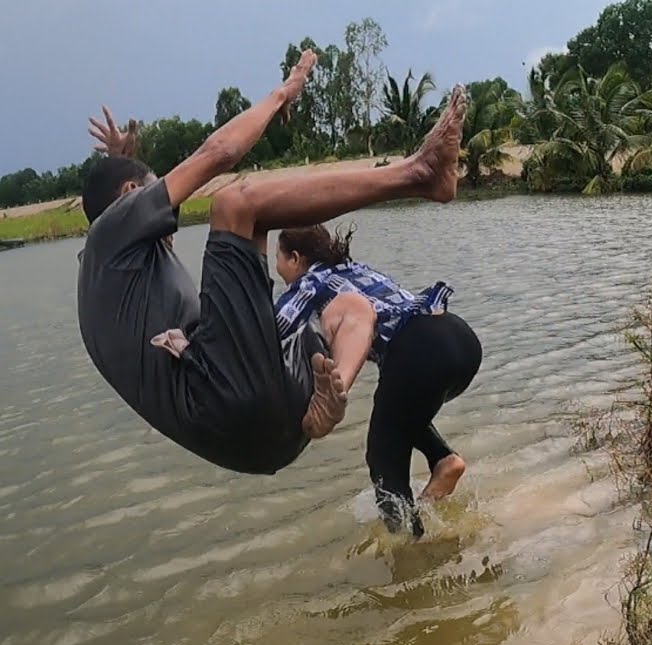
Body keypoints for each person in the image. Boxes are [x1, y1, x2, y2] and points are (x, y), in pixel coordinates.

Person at [76, 49, 470, 474]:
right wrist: (286, 91)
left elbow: (132, 208)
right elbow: (217, 153)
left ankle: (331, 390)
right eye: (148, 190)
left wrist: (118, 162)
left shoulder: (110, 272)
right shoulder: (111, 235)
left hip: (271, 435)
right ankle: (418, 173)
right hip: (225, 393)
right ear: (128, 195)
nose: (168, 213)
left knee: (353, 307)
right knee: (236, 202)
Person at [274, 224, 482, 536]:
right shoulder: (352, 268)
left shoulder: (310, 281)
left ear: (294, 258)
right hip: (459, 340)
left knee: (382, 457)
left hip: (420, 351)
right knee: (400, 414)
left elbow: (274, 329)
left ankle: (410, 551)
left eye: (277, 258)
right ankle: (444, 461)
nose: (277, 269)